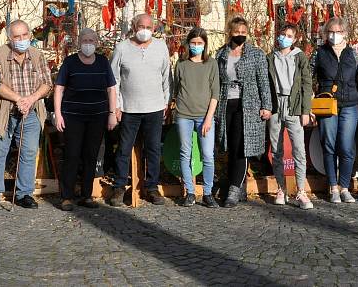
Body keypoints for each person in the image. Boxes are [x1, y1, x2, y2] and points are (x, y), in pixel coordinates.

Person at [0, 20, 52, 211]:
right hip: (4, 112)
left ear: (29, 35)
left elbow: (47, 83)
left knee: (28, 153)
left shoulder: (38, 55)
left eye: (24, 35)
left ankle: (24, 194)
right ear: (9, 38)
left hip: (31, 112)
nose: (21, 40)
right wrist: (19, 99)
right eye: (16, 36)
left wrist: (30, 100)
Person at [108, 13, 171, 207]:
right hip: (129, 109)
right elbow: (114, 79)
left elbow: (166, 76)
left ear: (154, 29)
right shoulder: (122, 48)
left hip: (155, 108)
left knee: (153, 149)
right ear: (134, 27)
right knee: (124, 149)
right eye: (141, 26)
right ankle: (119, 187)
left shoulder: (161, 47)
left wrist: (166, 102)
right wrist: (116, 106)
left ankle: (152, 187)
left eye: (149, 27)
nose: (145, 30)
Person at [54, 28, 118, 211]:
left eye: (91, 40)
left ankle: (86, 195)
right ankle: (66, 197)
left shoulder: (103, 62)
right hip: (73, 117)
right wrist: (58, 114)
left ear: (96, 43)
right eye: (85, 40)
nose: (88, 44)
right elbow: (59, 88)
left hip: (97, 117)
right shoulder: (70, 62)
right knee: (72, 155)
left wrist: (112, 113)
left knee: (91, 156)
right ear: (78, 42)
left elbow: (111, 89)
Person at [215, 16, 273, 208]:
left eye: (243, 32)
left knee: (242, 146)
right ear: (230, 33)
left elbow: (263, 81)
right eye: (236, 32)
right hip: (226, 103)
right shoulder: (221, 54)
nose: (240, 35)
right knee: (231, 146)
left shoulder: (256, 55)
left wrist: (267, 105)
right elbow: (216, 81)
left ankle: (233, 189)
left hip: (248, 105)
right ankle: (239, 186)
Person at [312, 17, 358, 204]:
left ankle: (345, 187)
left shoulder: (354, 54)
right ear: (327, 34)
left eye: (339, 32)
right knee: (329, 144)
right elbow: (310, 78)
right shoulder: (319, 53)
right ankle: (333, 187)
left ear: (345, 34)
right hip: (327, 103)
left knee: (346, 146)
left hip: (350, 104)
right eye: (331, 32)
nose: (335, 35)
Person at [266, 23, 313, 209]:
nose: (284, 37)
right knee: (276, 149)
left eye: (288, 35)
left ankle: (301, 191)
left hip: (294, 106)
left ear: (294, 39)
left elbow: (306, 83)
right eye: (282, 34)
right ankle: (280, 188)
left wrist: (305, 110)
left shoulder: (300, 57)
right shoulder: (270, 57)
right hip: (276, 106)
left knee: (299, 150)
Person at [172, 27, 219, 208]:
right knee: (185, 153)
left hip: (204, 117)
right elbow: (176, 89)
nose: (196, 46)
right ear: (188, 43)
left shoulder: (211, 64)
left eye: (200, 43)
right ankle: (190, 192)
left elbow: (215, 93)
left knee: (207, 155)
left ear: (205, 45)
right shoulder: (181, 64)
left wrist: (209, 118)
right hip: (184, 115)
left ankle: (207, 193)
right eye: (193, 43)